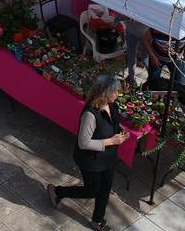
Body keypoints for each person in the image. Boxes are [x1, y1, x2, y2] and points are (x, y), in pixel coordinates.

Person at [46, 75, 127, 230]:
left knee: (105, 188)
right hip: (91, 160)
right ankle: (57, 191)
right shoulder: (90, 114)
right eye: (115, 91)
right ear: (104, 92)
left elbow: (113, 126)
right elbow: (83, 143)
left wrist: (121, 132)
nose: (118, 94)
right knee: (93, 190)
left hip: (108, 157)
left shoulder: (113, 106)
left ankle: (97, 220)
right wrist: (111, 141)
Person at [123, 18, 149, 86]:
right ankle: (153, 78)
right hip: (146, 30)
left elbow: (123, 15)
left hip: (132, 30)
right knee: (145, 57)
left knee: (131, 55)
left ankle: (131, 79)